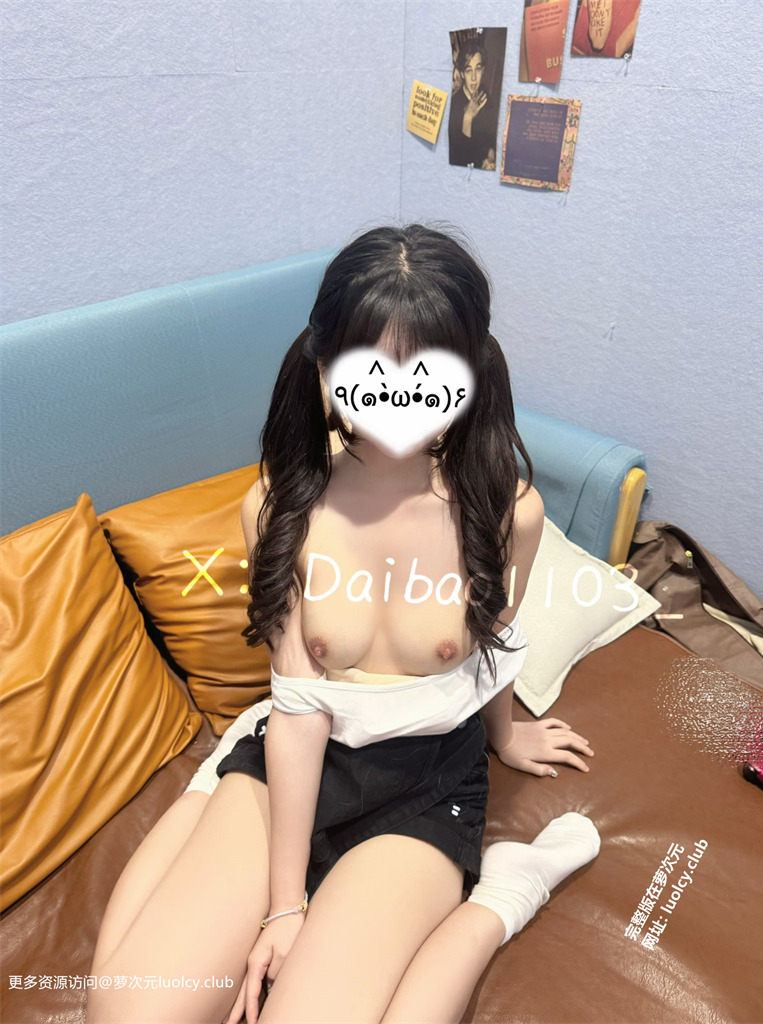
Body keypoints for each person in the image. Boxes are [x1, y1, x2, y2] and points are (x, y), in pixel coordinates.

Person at [86, 222, 600, 1024]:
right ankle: (218, 777)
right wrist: (283, 907)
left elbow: (492, 645)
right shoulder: (279, 508)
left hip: (425, 784)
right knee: (127, 1014)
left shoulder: (508, 514)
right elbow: (298, 709)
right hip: (298, 755)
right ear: (326, 373)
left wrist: (504, 736)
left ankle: (504, 895)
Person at [448, 37, 498, 170]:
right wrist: (467, 119)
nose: (474, 78)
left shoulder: (485, 94)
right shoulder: (453, 106)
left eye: (478, 69)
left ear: (483, 70)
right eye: (468, 70)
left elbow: (491, 136)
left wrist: (491, 153)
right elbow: (461, 160)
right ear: (462, 74)